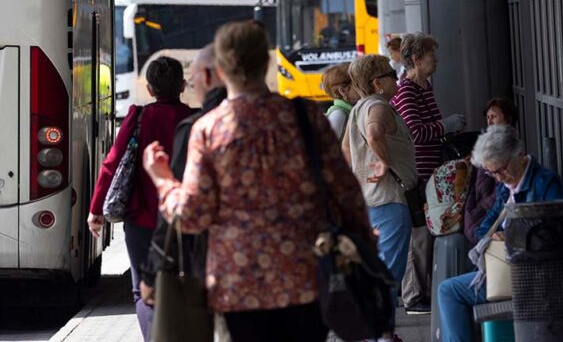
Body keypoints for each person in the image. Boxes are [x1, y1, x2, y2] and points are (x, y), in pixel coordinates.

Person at [143, 21, 373, 342]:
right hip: (306, 275)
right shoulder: (305, 117)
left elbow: (193, 215)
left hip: (238, 286)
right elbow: (346, 191)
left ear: (220, 70)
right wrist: (365, 242)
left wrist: (164, 180)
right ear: (266, 62)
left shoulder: (208, 130)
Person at [88, 55, 193, 341]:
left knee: (143, 290)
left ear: (149, 89)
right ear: (182, 86)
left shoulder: (139, 116)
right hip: (186, 219)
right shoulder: (195, 120)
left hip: (142, 218)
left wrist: (96, 209)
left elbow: (112, 163)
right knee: (184, 286)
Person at [437, 125, 563, 342]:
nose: (498, 177)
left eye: (501, 169)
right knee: (448, 291)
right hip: (508, 269)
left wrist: (514, 236)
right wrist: (492, 236)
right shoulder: (505, 187)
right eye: (492, 173)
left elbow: (558, 233)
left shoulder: (544, 182)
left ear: (518, 154)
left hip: (534, 276)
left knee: (449, 292)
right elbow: (483, 228)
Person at [139, 44, 226, 304]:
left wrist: (162, 179)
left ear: (207, 76)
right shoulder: (303, 117)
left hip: (229, 282)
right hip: (300, 288)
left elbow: (187, 210)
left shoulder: (202, 129)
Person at [343, 53, 418, 342]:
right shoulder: (378, 106)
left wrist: (358, 176)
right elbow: (374, 134)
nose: (396, 79)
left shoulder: (358, 108)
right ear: (377, 83)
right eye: (391, 74)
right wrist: (384, 162)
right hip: (389, 200)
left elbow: (346, 149)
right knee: (389, 274)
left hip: (369, 201)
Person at [390, 32, 465, 315]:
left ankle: (422, 291)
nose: (437, 60)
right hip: (419, 171)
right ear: (417, 58)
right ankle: (413, 296)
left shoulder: (424, 87)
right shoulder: (407, 90)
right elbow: (416, 132)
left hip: (431, 169)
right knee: (420, 235)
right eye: (432, 54)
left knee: (428, 232)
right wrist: (447, 125)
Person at [464, 97, 519, 244]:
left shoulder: (511, 152)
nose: (490, 121)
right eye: (488, 117)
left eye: (494, 116)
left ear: (508, 119)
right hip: (482, 210)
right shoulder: (486, 146)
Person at [320, 62, 358, 141]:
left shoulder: (352, 110)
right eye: (357, 84)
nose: (363, 86)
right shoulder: (339, 114)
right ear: (343, 91)